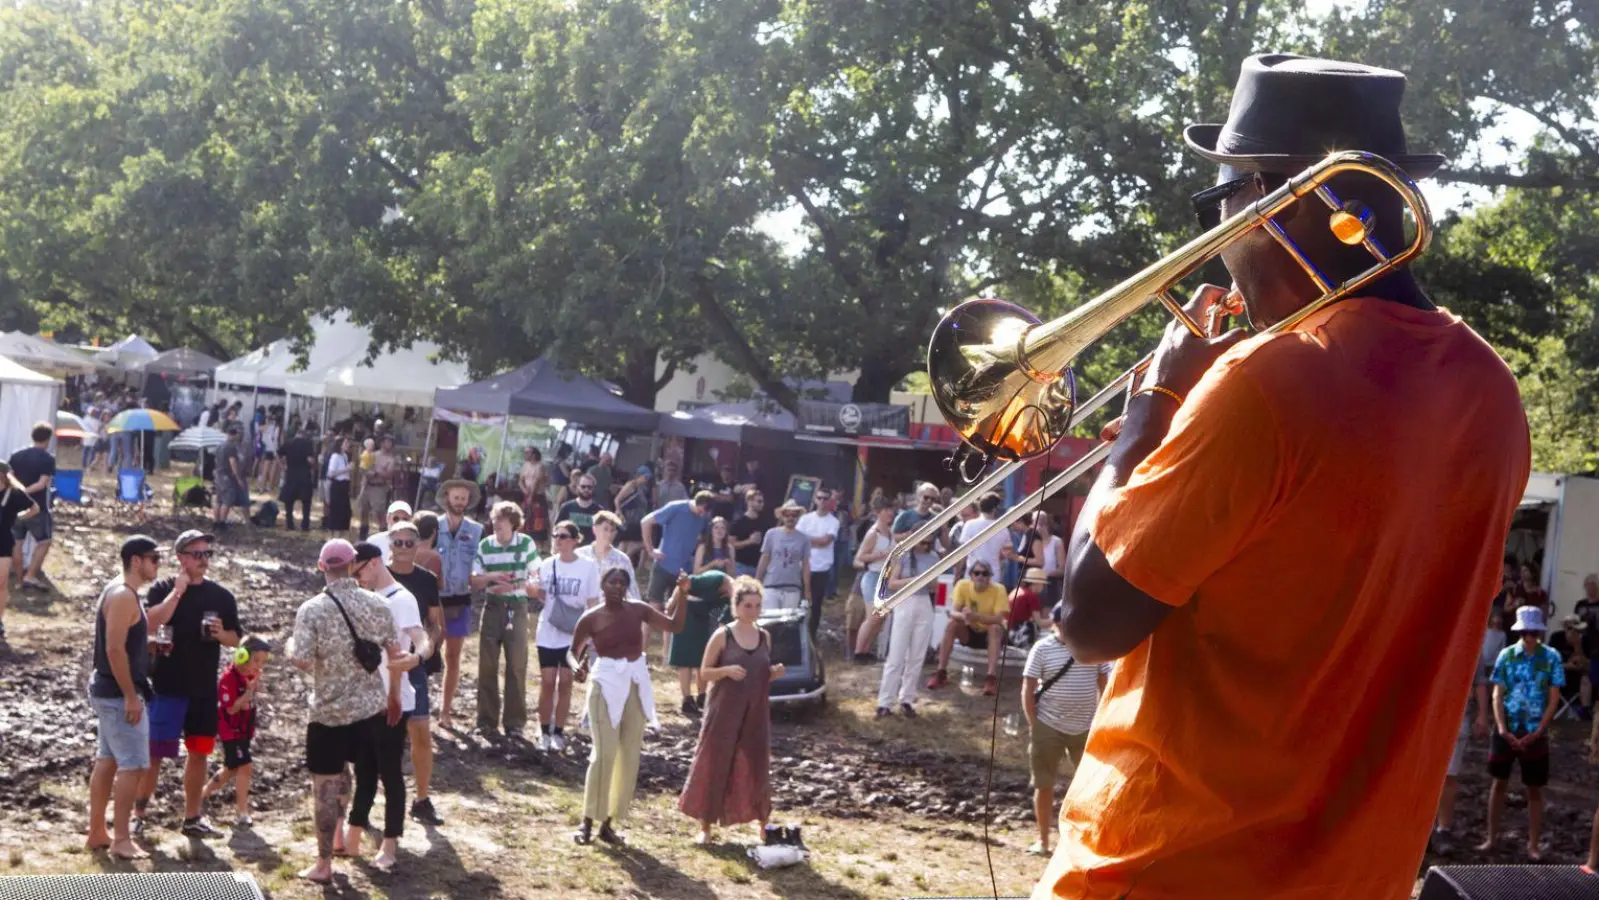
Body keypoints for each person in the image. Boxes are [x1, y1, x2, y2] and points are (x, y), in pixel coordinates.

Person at [1036, 56, 1529, 899]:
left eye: (1220, 206)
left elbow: (1087, 619)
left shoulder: (1266, 383)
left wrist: (1150, 412)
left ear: (1271, 200)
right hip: (1355, 880)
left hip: (1163, 872)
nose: (1218, 242)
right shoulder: (1491, 392)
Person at [288, 539, 411, 885]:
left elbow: (302, 659)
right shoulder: (376, 604)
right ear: (355, 563)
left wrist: (287, 648)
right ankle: (377, 844)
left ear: (321, 567)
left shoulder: (312, 609)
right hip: (372, 710)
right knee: (372, 776)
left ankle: (326, 861)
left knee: (326, 786)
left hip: (329, 714)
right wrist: (394, 696)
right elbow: (395, 653)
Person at [567, 567, 688, 846]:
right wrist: (577, 668)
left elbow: (674, 625)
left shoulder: (638, 610)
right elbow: (572, 652)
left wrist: (682, 593)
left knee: (629, 754)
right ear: (603, 585)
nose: (617, 588)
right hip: (605, 681)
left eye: (622, 583)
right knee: (604, 754)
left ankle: (608, 822)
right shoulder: (591, 618)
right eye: (612, 582)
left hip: (635, 680)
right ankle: (587, 820)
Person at [137, 530, 242, 838]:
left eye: (207, 554)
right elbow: (147, 623)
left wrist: (222, 634)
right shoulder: (162, 588)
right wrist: (177, 593)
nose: (204, 560)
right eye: (197, 554)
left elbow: (237, 639)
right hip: (166, 686)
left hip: (202, 690)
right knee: (153, 754)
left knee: (199, 754)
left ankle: (192, 818)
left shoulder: (221, 597)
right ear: (180, 557)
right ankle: (138, 815)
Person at [679, 577, 784, 844]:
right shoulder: (722, 635)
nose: (753, 611)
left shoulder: (764, 636)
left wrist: (773, 674)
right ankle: (705, 826)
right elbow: (704, 673)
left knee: (757, 762)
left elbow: (760, 675)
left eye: (758, 606)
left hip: (755, 709)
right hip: (724, 708)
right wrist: (725, 671)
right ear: (736, 606)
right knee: (715, 761)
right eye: (748, 605)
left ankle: (763, 825)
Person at [351, 541, 429, 870]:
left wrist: (417, 656)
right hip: (366, 698)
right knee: (363, 768)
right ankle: (354, 832)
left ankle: (390, 843)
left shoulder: (402, 598)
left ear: (374, 563)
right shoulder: (365, 597)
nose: (358, 578)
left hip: (395, 699)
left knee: (389, 772)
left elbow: (421, 635)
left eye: (360, 571)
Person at [85, 535, 162, 860]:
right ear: (136, 561)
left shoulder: (121, 592)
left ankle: (97, 832)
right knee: (133, 766)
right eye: (153, 558)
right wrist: (131, 696)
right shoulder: (123, 595)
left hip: (109, 690)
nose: (157, 564)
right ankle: (120, 839)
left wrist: (145, 645)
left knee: (108, 759)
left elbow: (122, 643)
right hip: (118, 694)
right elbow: (113, 649)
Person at [1021, 604, 1110, 857]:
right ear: (1056, 624)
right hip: (1048, 725)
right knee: (1044, 783)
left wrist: (1101, 718)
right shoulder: (1041, 648)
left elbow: (1104, 683)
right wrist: (1034, 723)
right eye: (1062, 624)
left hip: (1085, 727)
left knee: (1090, 785)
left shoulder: (1093, 646)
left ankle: (1088, 841)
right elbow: (1027, 687)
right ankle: (1043, 841)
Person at [1478, 606, 1563, 859]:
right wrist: (1502, 727)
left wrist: (1539, 730)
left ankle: (1533, 845)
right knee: (1499, 783)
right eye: (1525, 631)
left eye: (1533, 632)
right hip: (1507, 730)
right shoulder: (1506, 655)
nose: (1529, 636)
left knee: (1534, 788)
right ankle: (1491, 838)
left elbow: (1554, 698)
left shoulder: (1551, 657)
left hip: (1535, 732)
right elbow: (1497, 693)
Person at [386, 519, 445, 826]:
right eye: (399, 542)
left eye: (411, 543)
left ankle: (422, 798)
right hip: (379, 668)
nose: (404, 548)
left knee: (420, 732)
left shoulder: (426, 579)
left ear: (419, 545)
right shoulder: (378, 575)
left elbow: (435, 621)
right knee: (375, 735)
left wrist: (428, 646)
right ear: (390, 544)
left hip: (414, 665)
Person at [1431, 605, 1503, 855]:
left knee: (1449, 775)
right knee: (1423, 774)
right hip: (1429, 718)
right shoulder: (1429, 639)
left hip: (1457, 717)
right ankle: (1419, 828)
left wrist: (1483, 714)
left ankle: (1443, 829)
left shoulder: (1471, 644)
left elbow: (1481, 682)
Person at [470, 501, 539, 737]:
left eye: (501, 520)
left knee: (517, 665)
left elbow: (535, 582)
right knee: (487, 664)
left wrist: (514, 584)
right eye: (494, 519)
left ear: (513, 523)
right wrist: (492, 577)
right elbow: (474, 580)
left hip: (517, 606)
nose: (496, 524)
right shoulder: (486, 545)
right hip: (492, 607)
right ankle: (486, 721)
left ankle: (515, 723)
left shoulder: (526, 544)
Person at [532, 520, 601, 751]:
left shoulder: (588, 567)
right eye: (555, 536)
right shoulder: (546, 564)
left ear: (574, 540)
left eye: (562, 536)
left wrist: (591, 636)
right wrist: (532, 591)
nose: (557, 540)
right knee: (548, 681)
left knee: (566, 682)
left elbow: (592, 602)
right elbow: (542, 596)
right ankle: (543, 731)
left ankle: (558, 732)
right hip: (548, 630)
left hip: (574, 633)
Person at [202, 635, 272, 828]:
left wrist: (252, 688)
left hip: (243, 729)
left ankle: (204, 793)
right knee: (245, 766)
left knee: (231, 767)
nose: (259, 666)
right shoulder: (228, 679)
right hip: (231, 731)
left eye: (262, 662)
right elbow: (231, 708)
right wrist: (249, 692)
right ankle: (243, 812)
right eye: (256, 660)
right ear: (241, 656)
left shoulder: (248, 676)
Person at [433, 478, 484, 730]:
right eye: (456, 497)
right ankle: (417, 704)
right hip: (433, 600)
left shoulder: (476, 530)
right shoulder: (432, 526)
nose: (460, 502)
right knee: (424, 652)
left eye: (464, 499)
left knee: (453, 656)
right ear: (447, 498)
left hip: (460, 600)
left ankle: (445, 710)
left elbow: (480, 564)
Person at [875, 535, 942, 718]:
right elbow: (892, 583)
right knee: (896, 654)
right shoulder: (903, 555)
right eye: (921, 541)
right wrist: (914, 580)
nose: (924, 545)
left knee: (917, 655)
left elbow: (935, 587)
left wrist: (929, 582)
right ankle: (885, 702)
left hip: (924, 603)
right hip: (905, 601)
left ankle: (907, 699)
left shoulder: (934, 557)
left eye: (927, 542)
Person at [641, 491, 714, 652]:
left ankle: (667, 656)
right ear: (696, 502)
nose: (702, 513)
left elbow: (703, 539)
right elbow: (646, 522)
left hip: (682, 570)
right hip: (663, 565)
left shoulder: (703, 518)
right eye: (701, 509)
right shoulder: (676, 508)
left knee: (673, 612)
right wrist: (651, 550)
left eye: (705, 512)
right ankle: (642, 653)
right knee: (653, 608)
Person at [927, 563, 1009, 696]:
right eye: (977, 573)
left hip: (988, 633)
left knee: (995, 628)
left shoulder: (999, 589)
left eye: (985, 573)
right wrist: (965, 617)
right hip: (969, 631)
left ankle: (991, 678)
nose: (980, 576)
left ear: (990, 577)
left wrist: (976, 617)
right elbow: (953, 612)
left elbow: (999, 619)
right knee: (952, 623)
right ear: (971, 575)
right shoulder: (962, 585)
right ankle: (941, 671)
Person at [668, 570, 734, 717]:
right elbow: (685, 582)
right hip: (687, 609)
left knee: (703, 655)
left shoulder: (732, 598)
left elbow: (724, 620)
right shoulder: (716, 579)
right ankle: (687, 699)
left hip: (704, 616)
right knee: (685, 657)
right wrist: (672, 604)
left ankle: (702, 696)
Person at [9, 421, 55, 595]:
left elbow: (9, 479)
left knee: (16, 543)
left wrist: (18, 492)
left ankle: (19, 580)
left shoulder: (16, 455)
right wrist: (25, 493)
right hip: (37, 507)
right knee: (44, 541)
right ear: (48, 439)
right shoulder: (47, 458)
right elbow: (42, 484)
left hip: (15, 507)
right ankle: (30, 575)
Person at [851, 503, 897, 662]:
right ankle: (858, 652)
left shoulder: (890, 533)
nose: (891, 513)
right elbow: (859, 557)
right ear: (879, 512)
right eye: (887, 509)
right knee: (873, 616)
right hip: (872, 576)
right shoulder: (873, 534)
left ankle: (866, 650)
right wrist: (880, 555)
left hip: (885, 577)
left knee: (881, 617)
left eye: (892, 510)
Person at [0, 461, 39, 639]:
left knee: (1, 583)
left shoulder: (14, 494)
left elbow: (35, 508)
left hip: (3, 541)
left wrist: (17, 518)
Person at [795, 490, 840, 640]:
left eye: (825, 498)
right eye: (819, 498)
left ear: (829, 501)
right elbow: (798, 539)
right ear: (815, 499)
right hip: (802, 567)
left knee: (815, 606)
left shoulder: (833, 521)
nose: (822, 501)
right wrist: (815, 541)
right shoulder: (805, 519)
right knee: (798, 604)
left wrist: (807, 540)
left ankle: (811, 638)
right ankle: (797, 637)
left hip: (822, 568)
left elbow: (825, 541)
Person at [757, 499, 811, 613]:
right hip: (771, 585)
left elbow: (806, 565)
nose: (790, 518)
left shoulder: (804, 538)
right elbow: (765, 558)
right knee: (769, 622)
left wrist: (807, 590)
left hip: (793, 587)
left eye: (794, 515)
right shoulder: (771, 534)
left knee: (787, 626)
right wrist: (757, 582)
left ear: (798, 517)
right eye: (787, 515)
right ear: (782, 516)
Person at [578, 511, 639, 599]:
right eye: (605, 529)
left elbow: (632, 591)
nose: (609, 534)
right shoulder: (580, 555)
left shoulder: (622, 560)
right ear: (595, 529)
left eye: (612, 530)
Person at [279, 422, 319, 532]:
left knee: (289, 502)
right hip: (304, 476)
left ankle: (289, 524)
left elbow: (279, 454)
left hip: (291, 475)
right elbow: (311, 460)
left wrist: (283, 466)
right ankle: (305, 525)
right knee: (306, 502)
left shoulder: (288, 443)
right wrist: (314, 466)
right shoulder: (308, 444)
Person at [729, 488, 770, 579]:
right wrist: (749, 541)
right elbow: (731, 544)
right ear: (749, 502)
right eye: (759, 501)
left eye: (762, 502)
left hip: (759, 566)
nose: (762, 504)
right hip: (741, 565)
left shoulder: (765, 522)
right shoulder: (739, 522)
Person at [213, 426, 249, 528]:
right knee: (227, 501)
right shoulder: (231, 447)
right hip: (226, 477)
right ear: (235, 435)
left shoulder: (220, 445)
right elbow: (233, 462)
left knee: (218, 500)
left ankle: (216, 522)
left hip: (218, 475)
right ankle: (222, 523)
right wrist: (238, 479)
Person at [557, 473, 608, 544]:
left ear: (594, 488)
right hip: (570, 550)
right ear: (577, 487)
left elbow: (604, 534)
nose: (586, 489)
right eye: (583, 487)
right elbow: (557, 530)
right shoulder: (566, 507)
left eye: (589, 487)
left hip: (591, 552)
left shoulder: (600, 511)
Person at [323, 436, 353, 534]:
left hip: (344, 485)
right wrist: (346, 469)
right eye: (345, 443)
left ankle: (342, 532)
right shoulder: (335, 456)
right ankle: (334, 532)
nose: (347, 445)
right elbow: (331, 473)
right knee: (336, 510)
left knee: (345, 511)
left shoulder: (344, 456)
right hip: (337, 485)